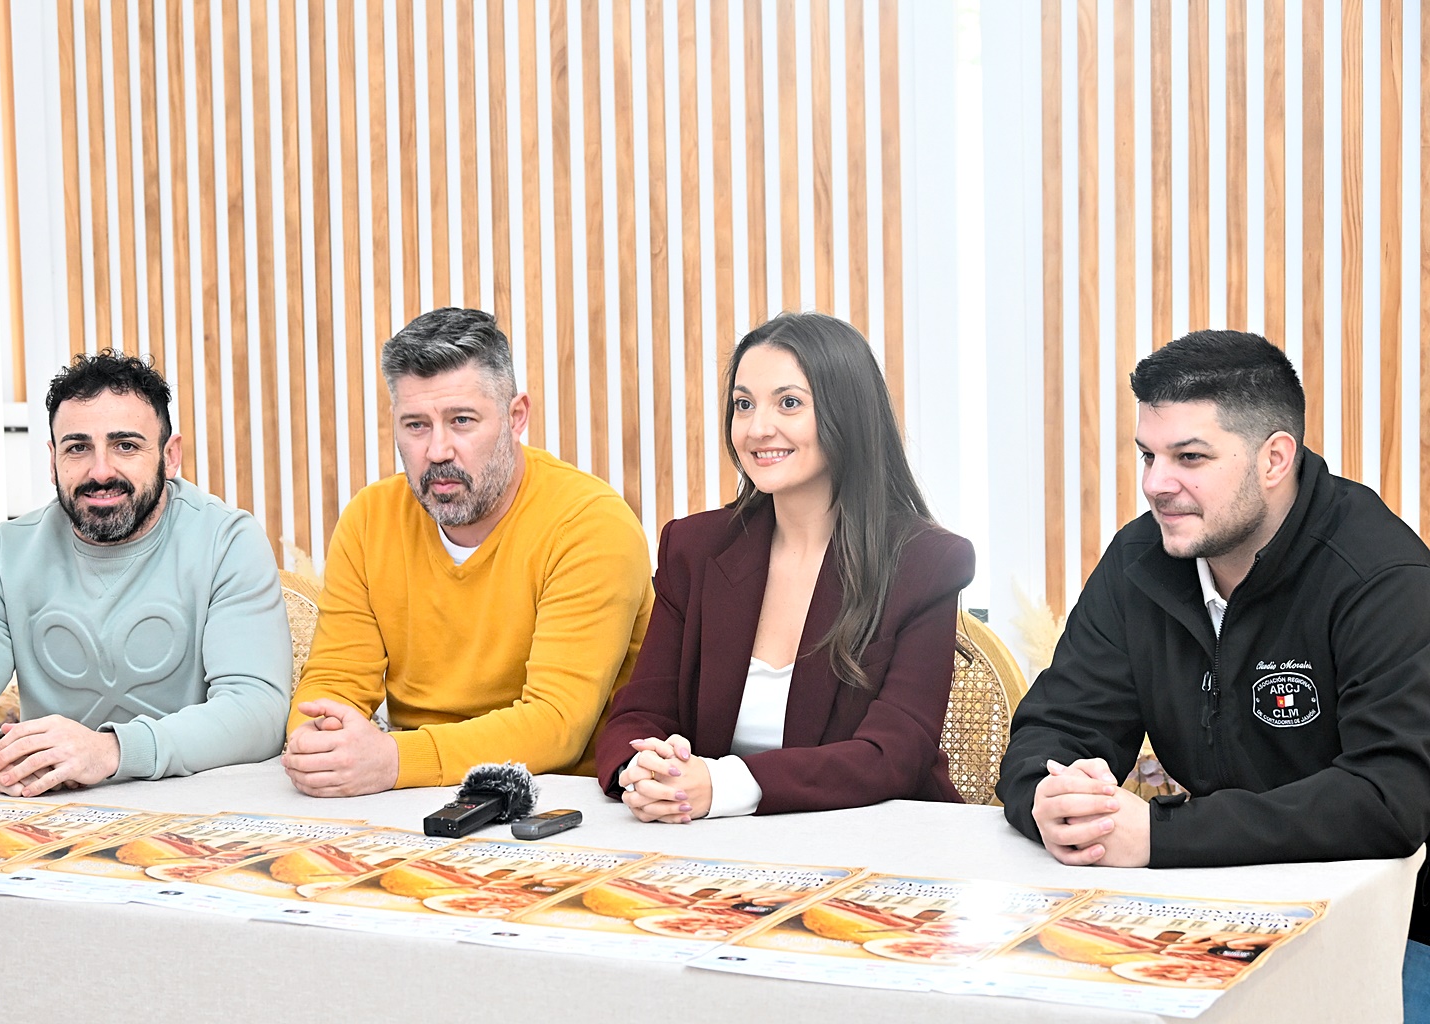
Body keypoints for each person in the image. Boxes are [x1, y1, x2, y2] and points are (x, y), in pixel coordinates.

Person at [995, 330, 1430, 1011]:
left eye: (1189, 457)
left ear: (1274, 459)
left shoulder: (1379, 574)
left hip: (1383, 930)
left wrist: (1163, 837)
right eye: (1148, 455)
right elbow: (1054, 729)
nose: (1155, 484)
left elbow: (1391, 796)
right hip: (1200, 914)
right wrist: (1049, 802)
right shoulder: (1139, 562)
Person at [595, 312, 975, 821]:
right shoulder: (694, 547)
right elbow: (639, 714)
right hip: (711, 852)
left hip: (880, 849)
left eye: (789, 403)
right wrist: (644, 768)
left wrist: (723, 786)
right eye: (744, 404)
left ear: (848, 414)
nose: (757, 429)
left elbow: (893, 755)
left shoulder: (926, 563)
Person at [281, 307, 653, 797]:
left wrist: (393, 760)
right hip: (411, 793)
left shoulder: (589, 523)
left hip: (560, 798)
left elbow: (558, 726)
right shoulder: (369, 519)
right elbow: (334, 678)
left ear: (516, 417)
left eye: (461, 421)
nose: (438, 450)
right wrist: (317, 741)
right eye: (416, 425)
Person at [0, 352, 291, 796]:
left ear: (170, 455)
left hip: (197, 806)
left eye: (125, 445)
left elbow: (257, 712)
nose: (100, 471)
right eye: (78, 447)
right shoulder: (8, 553)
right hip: (52, 812)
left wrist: (109, 752)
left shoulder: (227, 540)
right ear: (52, 460)